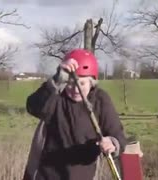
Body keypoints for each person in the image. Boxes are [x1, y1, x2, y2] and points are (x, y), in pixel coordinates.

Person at [23, 49, 127, 180]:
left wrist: (112, 143)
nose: (76, 89)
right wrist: (57, 80)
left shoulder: (100, 100)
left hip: (83, 174)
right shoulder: (56, 97)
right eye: (70, 84)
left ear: (91, 81)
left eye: (82, 83)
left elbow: (118, 134)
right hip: (47, 174)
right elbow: (33, 107)